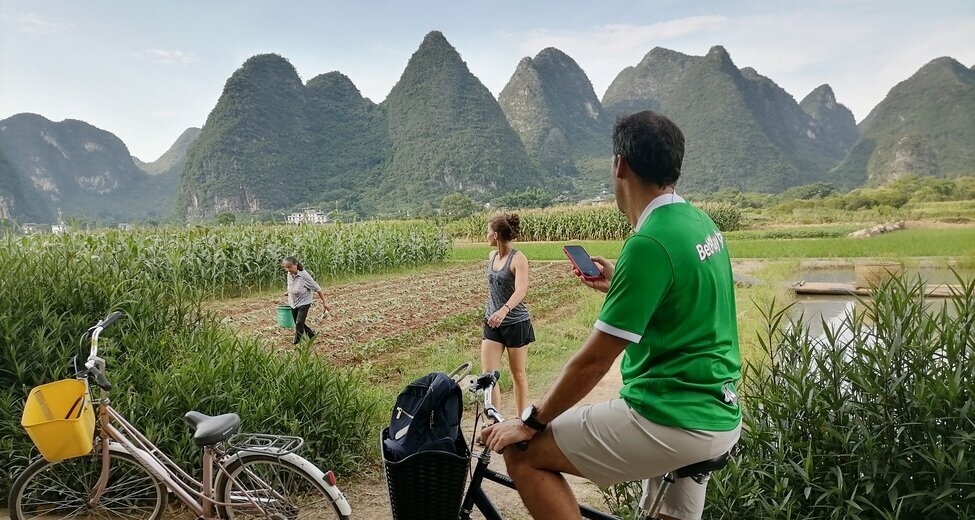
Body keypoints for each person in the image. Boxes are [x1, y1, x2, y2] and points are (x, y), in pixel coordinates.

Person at [480, 111, 742, 520]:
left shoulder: (649, 242)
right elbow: (688, 294)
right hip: (719, 412)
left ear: (619, 164)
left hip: (670, 416)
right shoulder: (699, 223)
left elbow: (593, 362)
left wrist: (530, 421)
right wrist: (623, 280)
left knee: (523, 453)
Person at [481, 213, 535, 416]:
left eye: (488, 232)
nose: (486, 235)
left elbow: (521, 290)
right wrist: (494, 313)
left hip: (515, 323)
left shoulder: (518, 258)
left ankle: (522, 419)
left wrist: (504, 310)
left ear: (495, 235)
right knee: (488, 376)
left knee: (518, 374)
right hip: (492, 322)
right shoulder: (492, 257)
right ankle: (494, 421)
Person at [282, 256, 332, 345]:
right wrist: (289, 292)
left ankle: (296, 343)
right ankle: (311, 335)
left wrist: (325, 302)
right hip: (293, 302)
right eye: (286, 268)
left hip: (304, 302)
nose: (288, 270)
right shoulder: (289, 274)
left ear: (296, 264)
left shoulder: (304, 276)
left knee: (299, 323)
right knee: (298, 323)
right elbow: (291, 285)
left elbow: (317, 288)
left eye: (290, 267)